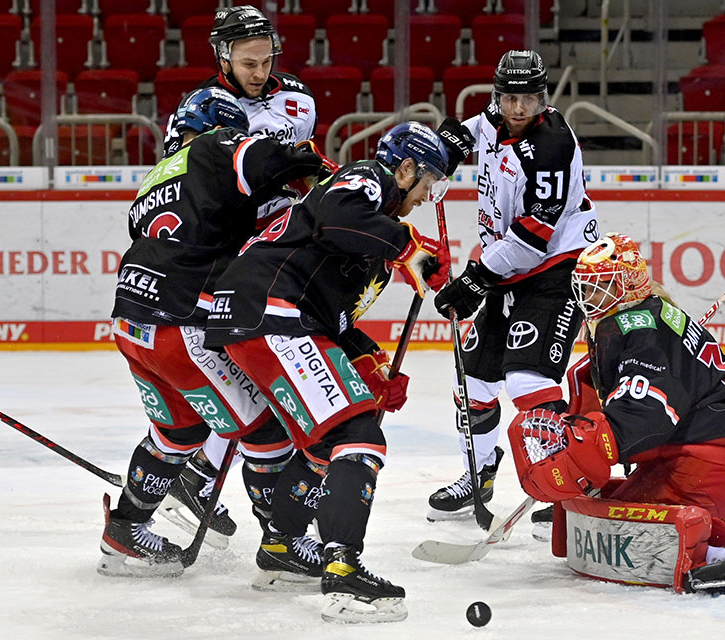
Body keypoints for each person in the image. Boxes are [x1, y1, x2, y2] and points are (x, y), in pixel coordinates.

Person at [202, 121, 459, 623]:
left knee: (325, 441)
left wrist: (367, 362)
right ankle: (343, 570)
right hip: (270, 312)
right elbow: (337, 215)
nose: (429, 197)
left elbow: (332, 315)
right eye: (429, 184)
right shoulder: (368, 178)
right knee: (356, 431)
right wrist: (406, 245)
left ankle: (281, 548)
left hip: (262, 315)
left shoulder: (372, 230)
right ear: (405, 169)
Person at [508, 232, 725, 592]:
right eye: (586, 288)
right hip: (714, 448)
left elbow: (647, 411)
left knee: (626, 530)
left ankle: (713, 553)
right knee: (613, 504)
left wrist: (584, 444)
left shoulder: (642, 328)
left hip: (709, 456)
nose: (589, 298)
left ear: (630, 283)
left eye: (601, 287)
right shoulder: (646, 317)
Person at [99, 87, 323, 577]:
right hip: (184, 327)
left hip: (132, 323)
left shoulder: (154, 180)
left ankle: (125, 531)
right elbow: (261, 158)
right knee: (266, 431)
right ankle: (283, 546)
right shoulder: (212, 150)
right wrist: (316, 170)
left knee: (178, 431)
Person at [159, 5, 337, 542]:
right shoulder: (197, 111)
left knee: (248, 381)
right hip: (222, 259)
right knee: (238, 380)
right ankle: (202, 478)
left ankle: (196, 477)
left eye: (266, 60)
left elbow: (308, 163)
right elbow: (189, 185)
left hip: (277, 253)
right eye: (247, 61)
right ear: (223, 55)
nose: (260, 72)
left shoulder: (297, 99)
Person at [426, 49, 598, 521]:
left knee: (528, 380)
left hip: (553, 273)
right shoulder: (498, 115)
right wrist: (450, 143)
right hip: (506, 271)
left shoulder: (552, 147)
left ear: (543, 98)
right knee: (475, 381)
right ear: (498, 95)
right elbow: (475, 129)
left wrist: (475, 280)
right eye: (509, 98)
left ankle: (566, 484)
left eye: (528, 99)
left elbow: (533, 239)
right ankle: (479, 473)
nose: (518, 109)